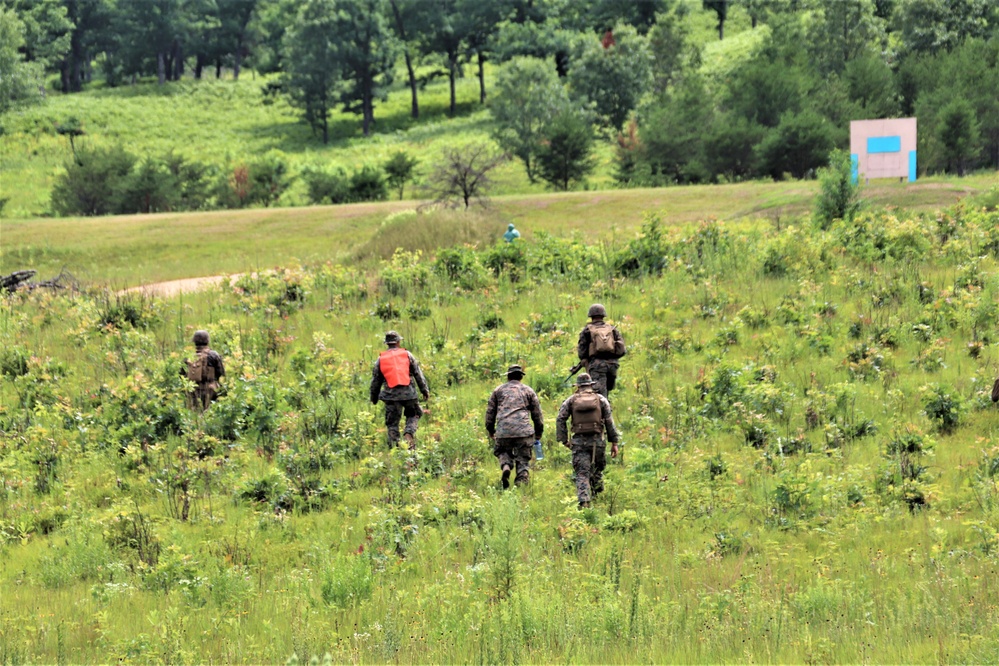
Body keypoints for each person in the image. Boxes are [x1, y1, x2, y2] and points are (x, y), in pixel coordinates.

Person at [556, 373, 619, 509]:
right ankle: (597, 494)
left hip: (579, 442)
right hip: (598, 442)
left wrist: (564, 440)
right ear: (591, 385)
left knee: (582, 472)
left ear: (578, 386)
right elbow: (609, 422)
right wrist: (614, 442)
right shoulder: (601, 400)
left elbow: (560, 419)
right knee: (597, 469)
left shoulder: (571, 400)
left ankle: (584, 500)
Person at [485, 364, 544, 488]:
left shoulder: (498, 391)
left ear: (508, 377)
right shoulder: (528, 391)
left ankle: (506, 465)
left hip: (503, 431)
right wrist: (538, 432)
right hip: (523, 432)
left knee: (501, 450)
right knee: (523, 458)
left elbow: (490, 413)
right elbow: (537, 414)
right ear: (521, 377)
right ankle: (521, 483)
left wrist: (491, 430)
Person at [370, 330, 430, 449]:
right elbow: (418, 374)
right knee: (415, 413)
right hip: (409, 394)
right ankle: (409, 433)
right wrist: (424, 390)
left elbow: (375, 381)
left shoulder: (380, 359)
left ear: (387, 343)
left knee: (392, 424)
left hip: (390, 396)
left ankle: (395, 449)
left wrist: (374, 397)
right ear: (398, 342)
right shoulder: (407, 355)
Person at [576, 303, 626, 398]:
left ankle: (605, 411)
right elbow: (622, 349)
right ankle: (607, 409)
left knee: (600, 396)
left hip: (597, 366)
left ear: (591, 316)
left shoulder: (587, 330)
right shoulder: (612, 329)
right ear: (603, 315)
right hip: (613, 365)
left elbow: (582, 352)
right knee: (608, 390)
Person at [185, 329, 225, 411]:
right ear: (207, 341)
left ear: (194, 341)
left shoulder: (187, 357)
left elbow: (182, 375)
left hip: (193, 391)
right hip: (210, 391)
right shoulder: (213, 355)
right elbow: (221, 374)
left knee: (194, 413)